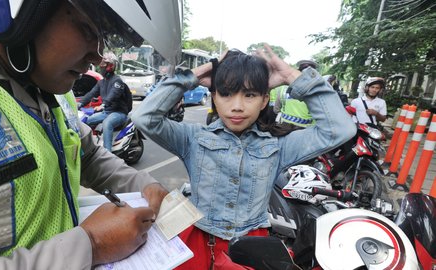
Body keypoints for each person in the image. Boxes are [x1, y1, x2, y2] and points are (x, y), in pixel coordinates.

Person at [0, 0, 182, 268]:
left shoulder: (45, 81)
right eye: (87, 30)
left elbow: (88, 154)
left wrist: (145, 185)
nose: (96, 56)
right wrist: (91, 245)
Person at [132, 45, 356, 269]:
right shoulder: (193, 138)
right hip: (197, 241)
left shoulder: (278, 146)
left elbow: (339, 129)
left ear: (265, 100)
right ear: (214, 97)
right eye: (226, 94)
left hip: (249, 248)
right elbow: (144, 117)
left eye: (249, 95)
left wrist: (291, 76)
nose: (237, 106)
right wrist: (195, 75)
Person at [79, 52, 132, 151]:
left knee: (107, 123)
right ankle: (89, 149)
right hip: (106, 112)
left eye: (103, 65)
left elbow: (114, 94)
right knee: (84, 121)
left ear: (110, 66)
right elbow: (91, 94)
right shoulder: (101, 82)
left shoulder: (117, 81)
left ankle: (108, 153)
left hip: (119, 113)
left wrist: (103, 104)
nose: (101, 67)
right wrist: (80, 103)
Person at [271, 59, 318, 128]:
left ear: (298, 71)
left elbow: (276, 110)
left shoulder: (283, 89)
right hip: (307, 132)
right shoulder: (317, 91)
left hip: (284, 130)